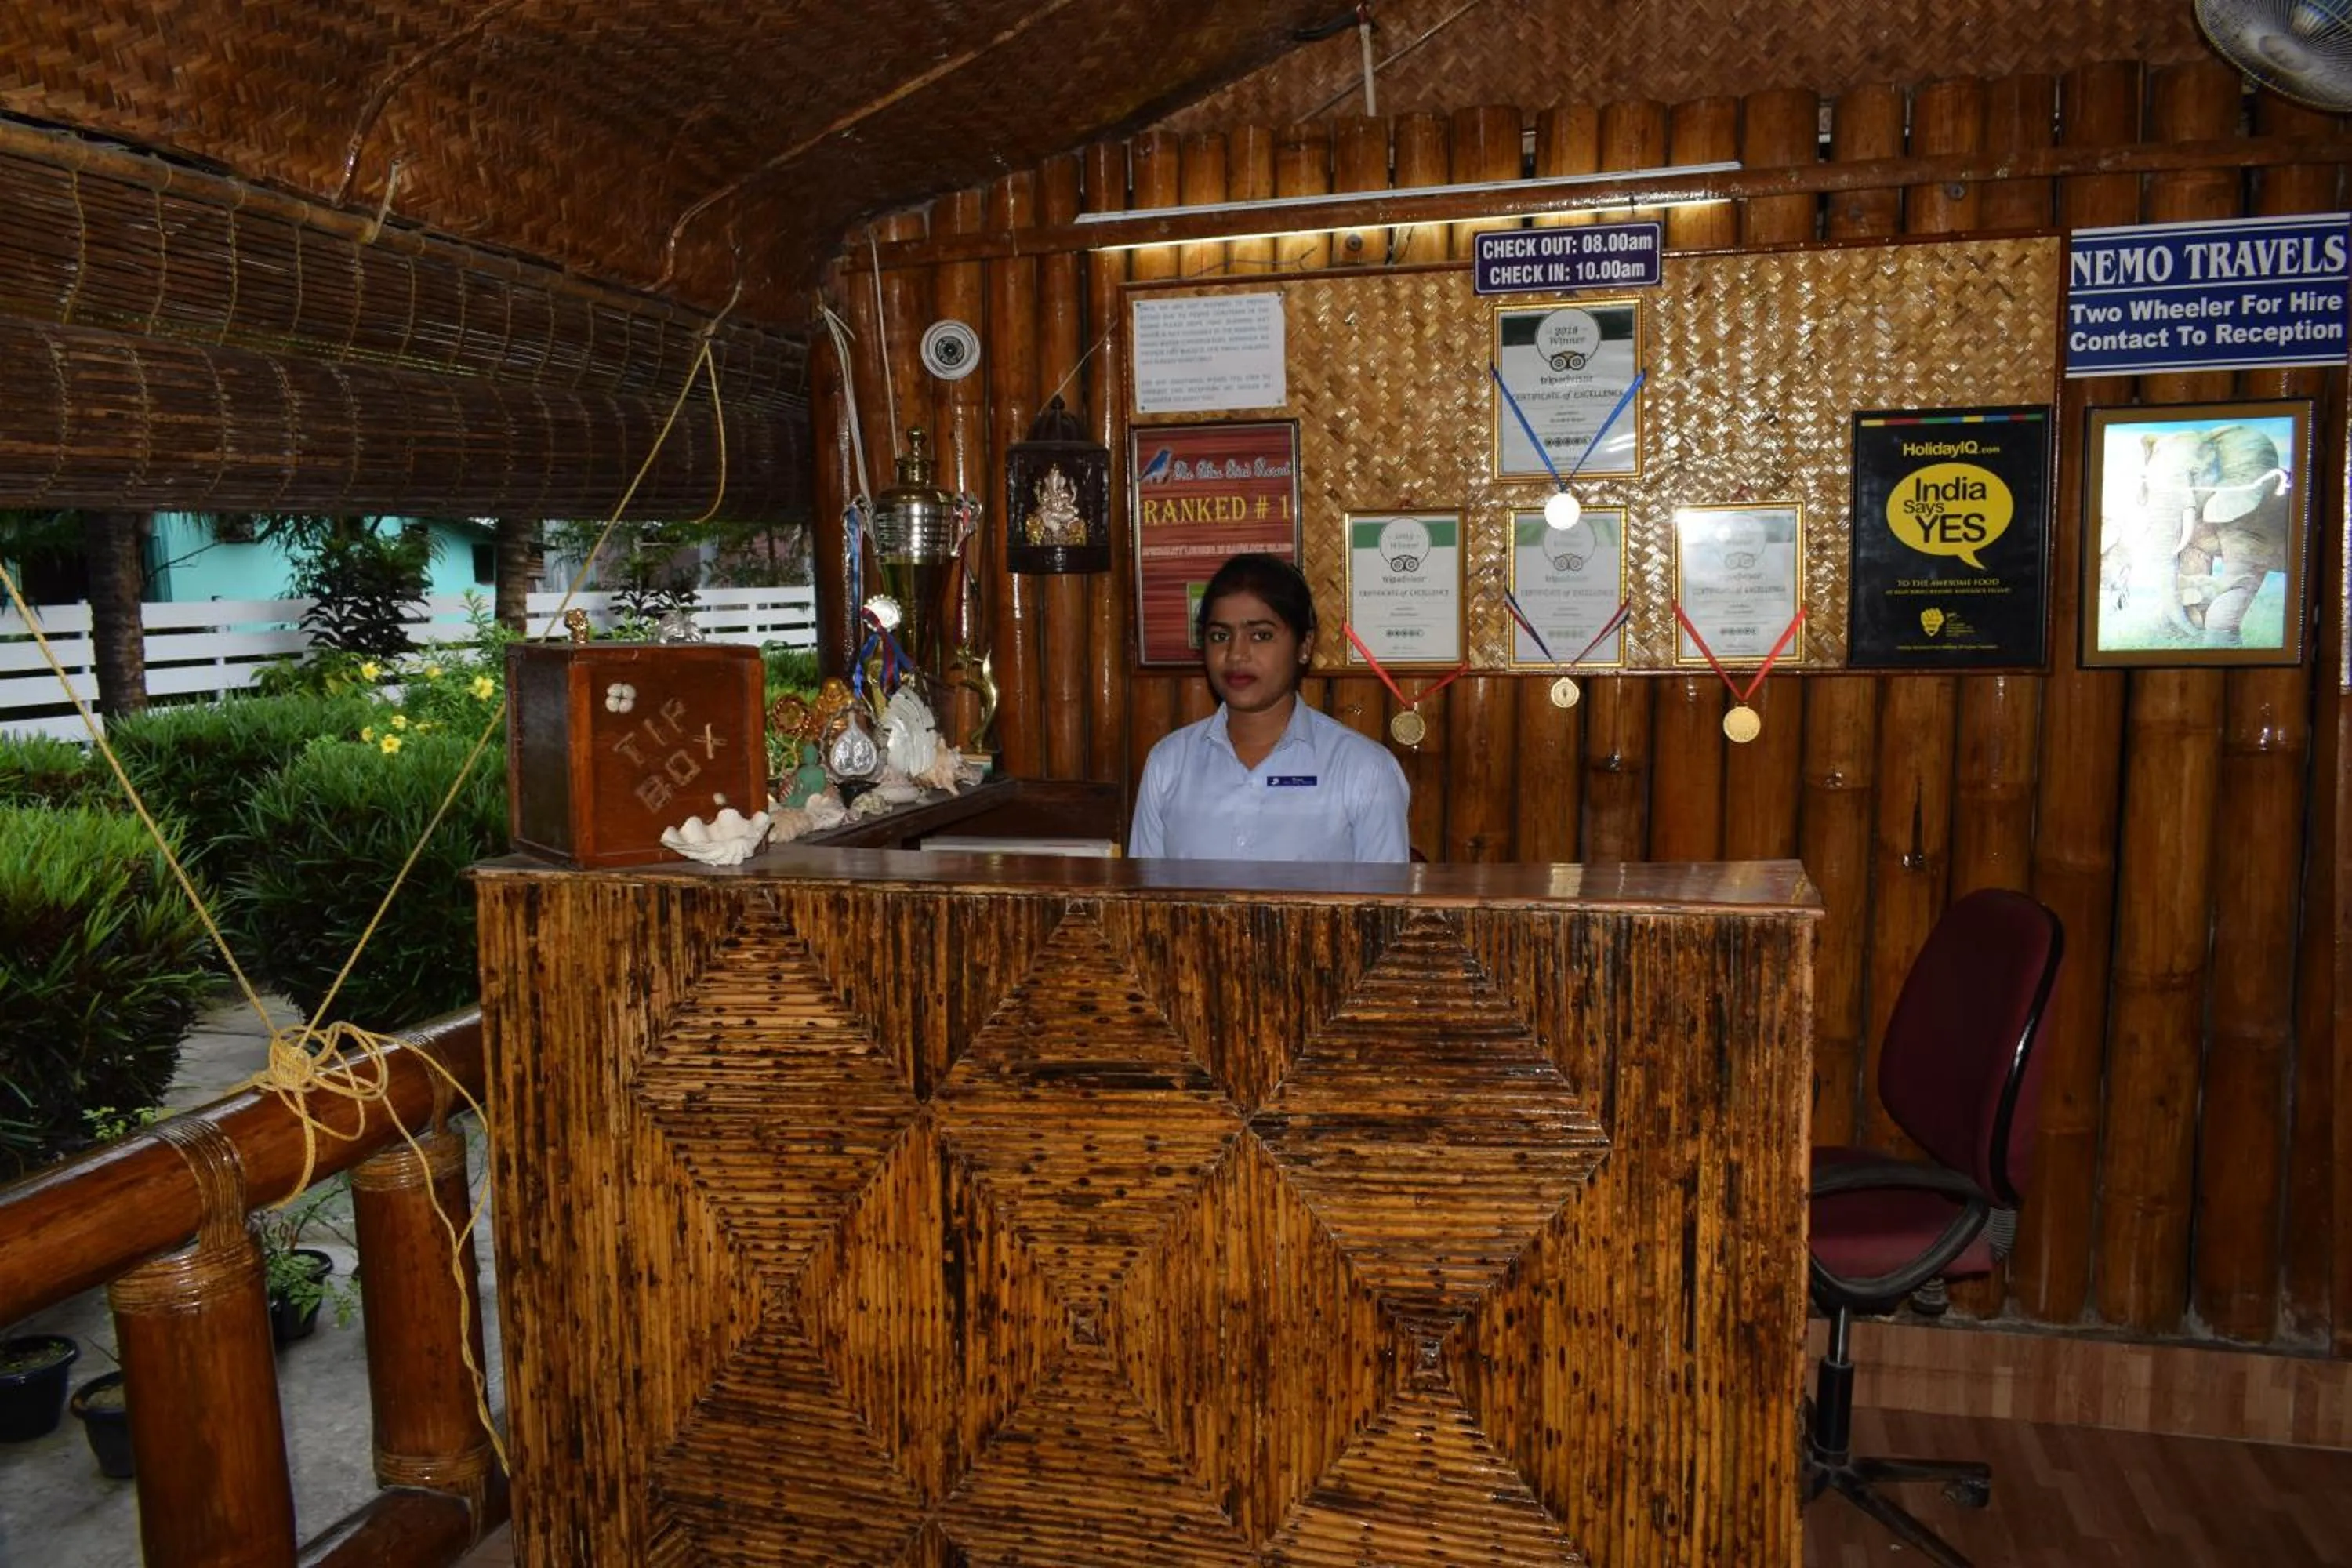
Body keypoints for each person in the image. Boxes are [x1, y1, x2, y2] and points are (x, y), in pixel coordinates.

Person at [1128, 553, 1410, 862]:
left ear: (1304, 646)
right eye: (1220, 636)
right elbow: (1144, 905)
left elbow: (1384, 907)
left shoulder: (1363, 771)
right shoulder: (1168, 765)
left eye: (1261, 635)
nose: (1236, 655)